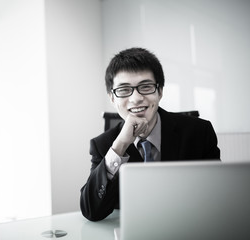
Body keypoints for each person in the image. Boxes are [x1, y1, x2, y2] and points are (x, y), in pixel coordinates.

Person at [80, 47, 221, 221]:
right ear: (112, 98)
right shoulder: (104, 145)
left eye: (145, 87)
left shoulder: (200, 133)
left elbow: (218, 197)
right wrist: (119, 147)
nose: (136, 98)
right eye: (124, 90)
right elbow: (91, 211)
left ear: (160, 91)